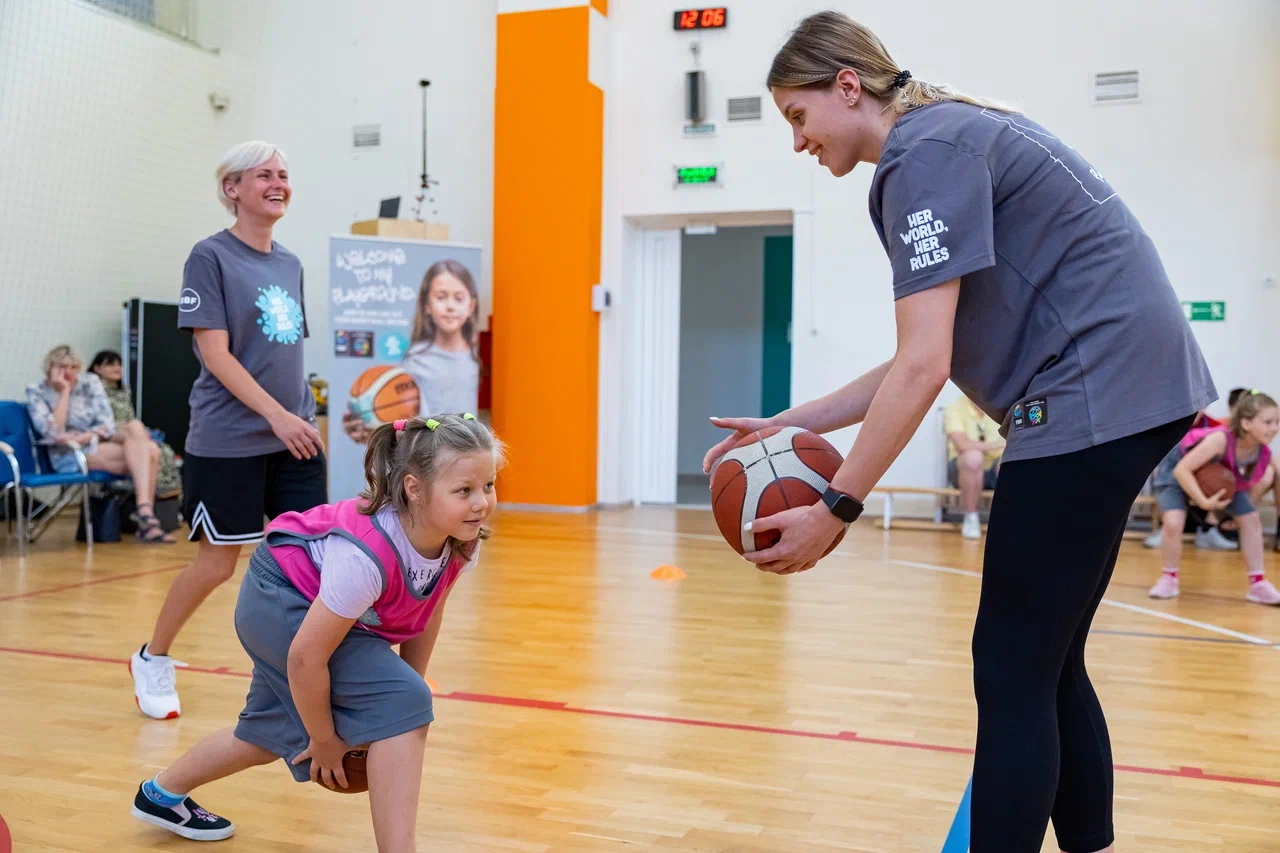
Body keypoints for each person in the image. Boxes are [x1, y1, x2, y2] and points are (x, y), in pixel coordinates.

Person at [703, 12, 1215, 853]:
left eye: (798, 117)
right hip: (1130, 386)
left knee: (1010, 668)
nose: (797, 141)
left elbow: (923, 364)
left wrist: (838, 504)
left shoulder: (925, 154)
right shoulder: (949, 138)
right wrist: (790, 424)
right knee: (1047, 661)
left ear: (847, 86)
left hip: (1094, 390)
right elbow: (916, 357)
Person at [129, 414, 500, 850]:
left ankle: (161, 795)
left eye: (489, 486)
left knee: (267, 734)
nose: (481, 503)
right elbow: (305, 658)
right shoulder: (365, 554)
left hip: (306, 603)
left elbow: (427, 607)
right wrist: (324, 740)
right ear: (413, 488)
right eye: (464, 491)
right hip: (280, 597)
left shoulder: (460, 537)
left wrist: (408, 678)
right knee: (406, 701)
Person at [130, 141, 326, 720]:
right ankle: (152, 656)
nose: (278, 183)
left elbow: (286, 352)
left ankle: (307, 671)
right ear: (232, 189)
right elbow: (216, 354)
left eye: (284, 175)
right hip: (230, 440)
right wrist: (276, 414)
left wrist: (302, 417)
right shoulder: (208, 257)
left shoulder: (290, 263)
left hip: (294, 435)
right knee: (218, 563)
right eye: (263, 174)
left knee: (311, 559)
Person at [25, 345, 174, 543]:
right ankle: (145, 516)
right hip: (68, 455)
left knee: (136, 428)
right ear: (50, 368)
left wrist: (85, 436)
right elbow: (54, 433)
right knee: (151, 451)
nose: (69, 373)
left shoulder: (90, 382)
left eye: (73, 367)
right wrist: (65, 393)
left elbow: (107, 424)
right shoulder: (36, 392)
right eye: (62, 367)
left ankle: (144, 511)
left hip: (95, 444)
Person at [1147, 391, 1280, 604]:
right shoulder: (1220, 439)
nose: (1274, 428)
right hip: (1177, 471)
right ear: (1246, 423)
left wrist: (1227, 515)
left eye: (1277, 422)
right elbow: (1182, 470)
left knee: (1251, 520)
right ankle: (1168, 579)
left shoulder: (1261, 452)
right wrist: (1203, 502)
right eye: (1267, 422)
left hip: (1215, 474)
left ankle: (1258, 584)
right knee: (1173, 522)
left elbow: (1244, 486)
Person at [342, 259, 482, 444]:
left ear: (471, 306)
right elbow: (404, 420)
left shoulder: (480, 359)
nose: (450, 306)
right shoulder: (415, 360)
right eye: (441, 297)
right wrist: (370, 426)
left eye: (458, 298)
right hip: (431, 459)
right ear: (427, 305)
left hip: (469, 454)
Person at [88, 350, 182, 501]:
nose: (117, 368)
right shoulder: (92, 390)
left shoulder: (123, 391)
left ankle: (167, 503)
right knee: (147, 449)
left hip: (130, 434)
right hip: (107, 436)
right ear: (97, 368)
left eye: (119, 364)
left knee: (164, 451)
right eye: (110, 365)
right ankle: (144, 502)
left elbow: (130, 418)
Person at [943, 394, 1003, 539]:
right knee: (973, 457)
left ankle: (1008, 519)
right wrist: (995, 445)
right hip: (962, 468)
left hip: (995, 466)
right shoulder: (954, 409)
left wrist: (978, 445)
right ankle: (970, 517)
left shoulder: (1000, 407)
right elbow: (962, 445)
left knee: (1010, 461)